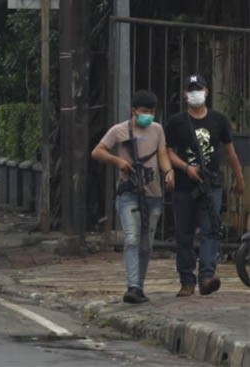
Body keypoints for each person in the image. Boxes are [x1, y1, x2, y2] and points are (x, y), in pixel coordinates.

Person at [165, 74, 245, 297]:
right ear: (184, 94)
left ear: (207, 92)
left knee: (210, 230)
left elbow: (230, 151)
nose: (195, 93)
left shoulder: (218, 120)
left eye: (198, 89)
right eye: (191, 89)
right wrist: (185, 168)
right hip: (184, 185)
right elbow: (167, 151)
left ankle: (207, 276)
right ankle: (187, 280)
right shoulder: (176, 122)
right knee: (184, 233)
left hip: (211, 184)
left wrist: (239, 179)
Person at [91, 90, 174, 304]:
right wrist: (119, 162)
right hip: (128, 192)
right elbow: (97, 151)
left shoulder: (157, 130)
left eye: (152, 111)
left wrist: (168, 171)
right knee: (131, 238)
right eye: (145, 111)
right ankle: (133, 286)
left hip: (153, 193)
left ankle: (140, 285)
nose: (148, 115)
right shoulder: (119, 131)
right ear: (134, 111)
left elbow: (162, 153)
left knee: (146, 244)